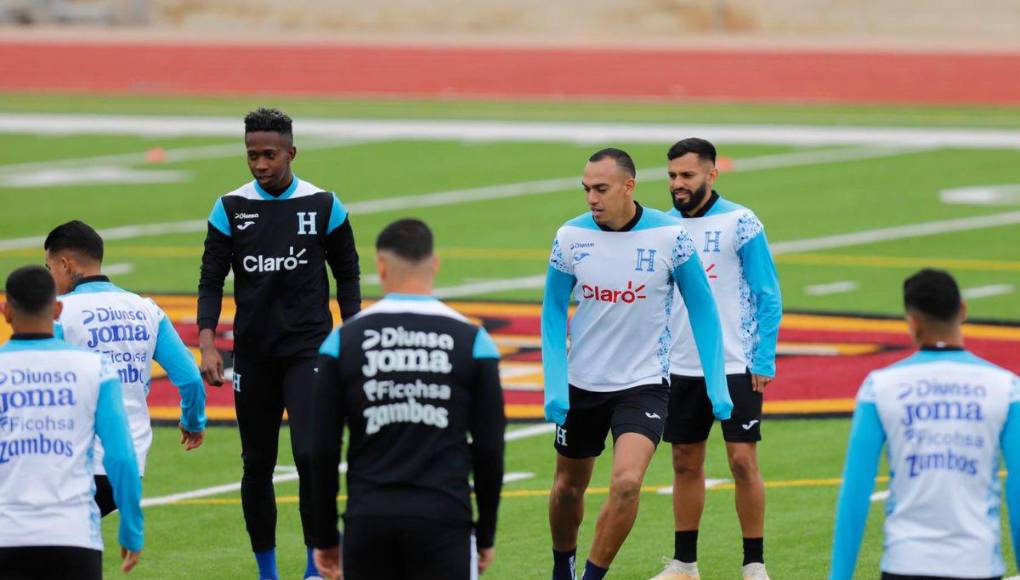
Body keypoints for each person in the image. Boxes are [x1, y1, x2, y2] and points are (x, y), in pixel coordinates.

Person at [542, 148, 731, 580]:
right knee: (567, 488)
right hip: (582, 383)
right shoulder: (570, 237)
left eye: (601, 189)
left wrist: (716, 385)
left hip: (643, 383)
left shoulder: (669, 235)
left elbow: (703, 309)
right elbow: (552, 311)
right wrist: (555, 384)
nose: (592, 198)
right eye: (586, 189)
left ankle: (591, 577)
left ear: (629, 186)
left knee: (627, 483)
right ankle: (562, 568)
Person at [197, 107, 362, 580]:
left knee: (311, 456)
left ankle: (315, 566)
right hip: (253, 355)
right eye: (252, 155)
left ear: (292, 152)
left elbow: (347, 275)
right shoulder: (230, 208)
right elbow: (211, 280)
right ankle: (267, 572)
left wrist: (352, 333)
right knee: (257, 464)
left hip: (309, 351)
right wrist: (207, 343)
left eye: (270, 155)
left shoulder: (324, 205)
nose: (261, 164)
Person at [308, 218, 505, 580]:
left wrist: (324, 536)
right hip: (444, 518)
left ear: (381, 266)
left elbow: (320, 449)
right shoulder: (474, 341)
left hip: (369, 519)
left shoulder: (342, 341)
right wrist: (486, 531)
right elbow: (489, 448)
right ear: (434, 264)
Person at [830, 268, 1020, 580]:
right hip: (978, 564)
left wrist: (839, 576)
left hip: (905, 563)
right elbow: (1018, 486)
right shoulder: (1006, 387)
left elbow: (855, 490)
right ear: (962, 310)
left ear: (912, 321)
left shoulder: (879, 387)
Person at [652, 138, 782, 580]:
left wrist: (763, 358)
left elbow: (767, 294)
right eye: (672, 175)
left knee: (743, 461)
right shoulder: (661, 227)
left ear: (711, 174)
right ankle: (684, 564)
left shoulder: (741, 223)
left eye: (687, 175)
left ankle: (754, 564)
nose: (678, 183)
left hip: (735, 364)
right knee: (684, 461)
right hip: (679, 366)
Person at [44, 220, 207, 516]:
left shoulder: (58, 313)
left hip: (73, 461)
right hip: (129, 465)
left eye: (49, 268)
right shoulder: (147, 310)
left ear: (65, 264)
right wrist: (193, 421)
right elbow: (191, 378)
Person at [0, 265, 143, 579]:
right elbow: (121, 456)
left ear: (6, 311)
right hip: (74, 536)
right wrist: (132, 527)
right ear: (57, 310)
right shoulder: (95, 368)